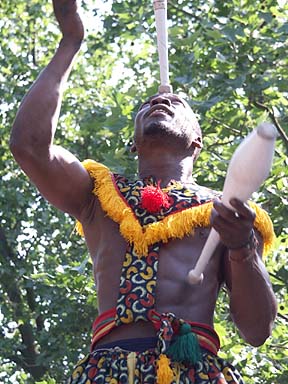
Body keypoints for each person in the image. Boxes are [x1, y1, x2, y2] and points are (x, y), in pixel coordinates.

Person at [10, 1, 277, 383]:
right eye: (147, 105)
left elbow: (257, 330)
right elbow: (29, 145)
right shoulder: (97, 196)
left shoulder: (228, 214)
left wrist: (241, 247)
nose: (159, 101)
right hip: (106, 371)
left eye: (176, 104)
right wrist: (71, 41)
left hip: (193, 371)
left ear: (197, 141)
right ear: (134, 144)